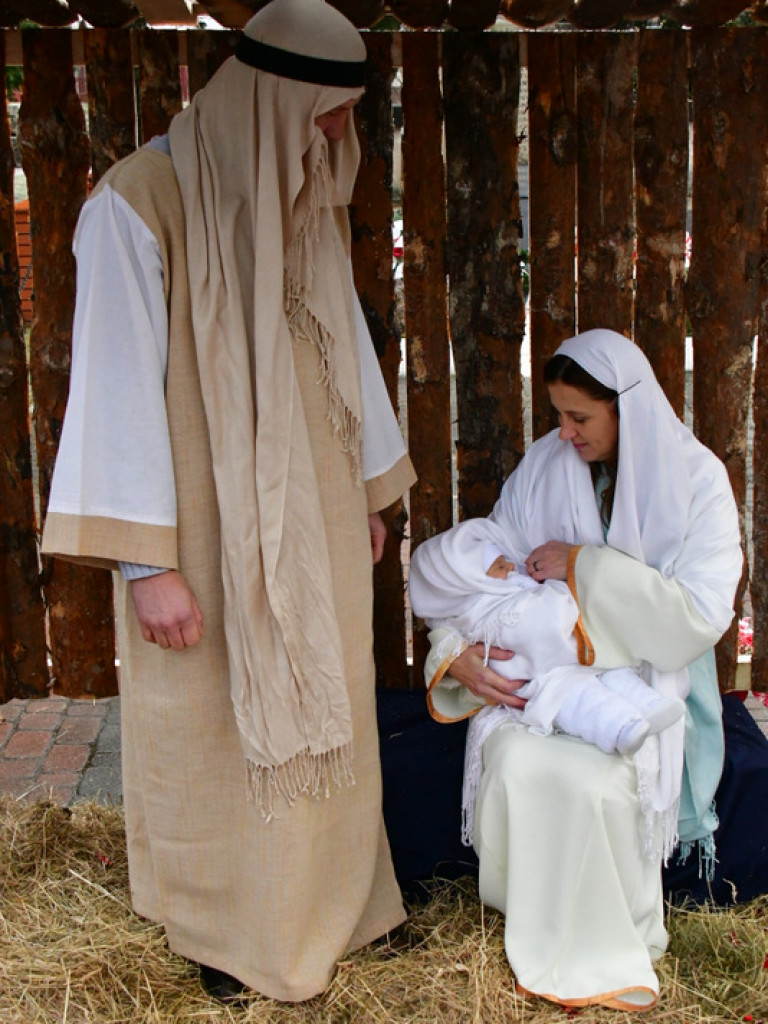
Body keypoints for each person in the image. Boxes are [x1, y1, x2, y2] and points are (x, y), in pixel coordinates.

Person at [41, 0, 416, 1003]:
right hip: (202, 528)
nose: (339, 136)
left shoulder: (304, 191)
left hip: (320, 516)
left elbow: (345, 350)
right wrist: (146, 564)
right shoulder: (139, 201)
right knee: (211, 717)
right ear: (270, 98)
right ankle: (231, 933)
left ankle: (341, 908)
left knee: (330, 700)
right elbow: (116, 385)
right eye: (325, 113)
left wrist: (371, 489)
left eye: (345, 114)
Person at [419, 328, 742, 1010]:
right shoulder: (545, 464)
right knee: (519, 763)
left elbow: (698, 614)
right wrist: (456, 654)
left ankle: (603, 947)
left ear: (628, 408)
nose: (564, 433)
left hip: (643, 679)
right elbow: (482, 572)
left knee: (596, 783)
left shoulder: (698, 481)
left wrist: (582, 565)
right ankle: (534, 927)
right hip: (540, 680)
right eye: (558, 416)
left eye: (579, 418)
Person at [408, 514, 686, 763]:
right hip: (545, 679)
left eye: (505, 560)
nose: (510, 567)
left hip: (580, 658)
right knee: (582, 702)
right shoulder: (480, 613)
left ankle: (651, 706)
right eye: (499, 566)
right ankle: (623, 729)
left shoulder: (513, 585)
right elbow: (529, 627)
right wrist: (559, 603)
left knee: (616, 674)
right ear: (471, 581)